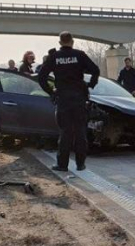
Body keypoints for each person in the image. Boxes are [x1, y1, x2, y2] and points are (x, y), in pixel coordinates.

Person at [38, 31, 100, 172]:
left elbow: (41, 77)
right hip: (79, 99)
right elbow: (95, 70)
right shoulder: (80, 55)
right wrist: (90, 85)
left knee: (65, 132)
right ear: (72, 42)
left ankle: (62, 165)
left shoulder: (54, 57)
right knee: (80, 131)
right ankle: (80, 164)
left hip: (63, 100)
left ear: (60, 43)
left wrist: (50, 91)